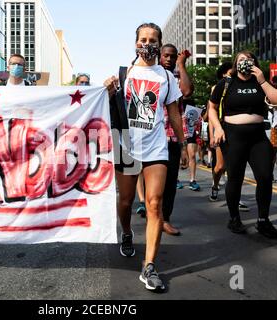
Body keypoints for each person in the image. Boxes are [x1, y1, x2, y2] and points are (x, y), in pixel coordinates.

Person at [104, 23, 186, 291]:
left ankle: (149, 266)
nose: (147, 43)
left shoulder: (166, 76)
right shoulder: (123, 74)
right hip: (126, 144)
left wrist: (183, 144)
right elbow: (104, 107)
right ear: (135, 42)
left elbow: (173, 113)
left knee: (154, 204)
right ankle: (127, 232)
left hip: (156, 148)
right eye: (143, 39)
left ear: (160, 44)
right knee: (126, 202)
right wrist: (108, 90)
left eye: (153, 39)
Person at [209, 51, 277, 239]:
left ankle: (263, 220)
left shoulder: (260, 82)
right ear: (236, 64)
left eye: (248, 59)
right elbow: (211, 107)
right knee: (235, 178)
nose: (245, 62)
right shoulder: (226, 83)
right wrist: (217, 128)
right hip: (233, 137)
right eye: (241, 60)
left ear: (254, 62)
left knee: (265, 176)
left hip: (258, 136)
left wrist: (262, 80)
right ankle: (234, 218)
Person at [135, 44, 191, 236]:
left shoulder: (175, 76)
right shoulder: (149, 74)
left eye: (173, 57)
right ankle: (148, 211)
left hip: (172, 137)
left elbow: (187, 91)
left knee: (171, 182)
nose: (169, 59)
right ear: (159, 55)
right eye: (166, 55)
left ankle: (164, 219)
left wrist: (182, 65)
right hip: (149, 137)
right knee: (145, 178)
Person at [208, 62, 250, 213]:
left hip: (237, 130)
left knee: (235, 167)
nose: (231, 74)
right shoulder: (217, 88)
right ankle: (215, 185)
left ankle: (235, 198)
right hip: (221, 129)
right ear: (222, 75)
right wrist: (212, 134)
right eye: (227, 73)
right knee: (220, 166)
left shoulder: (241, 86)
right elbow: (211, 112)